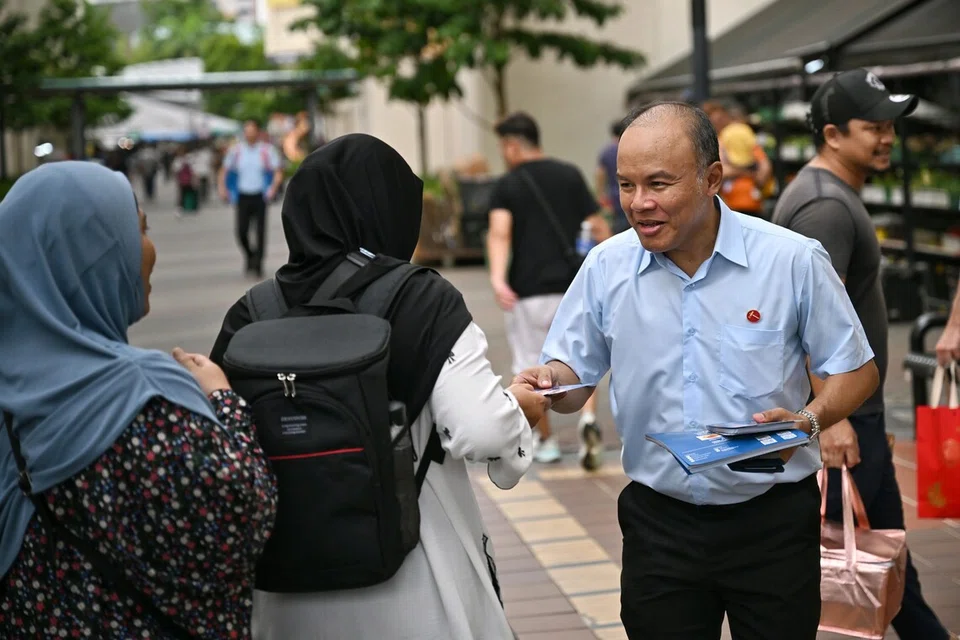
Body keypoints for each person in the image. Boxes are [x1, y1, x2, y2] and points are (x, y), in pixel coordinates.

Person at [515, 102, 880, 640]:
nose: (640, 204)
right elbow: (575, 376)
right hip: (659, 524)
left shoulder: (792, 260)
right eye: (627, 185)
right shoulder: (607, 266)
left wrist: (808, 420)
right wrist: (547, 384)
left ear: (712, 178)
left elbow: (857, 371)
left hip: (772, 519)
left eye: (659, 184)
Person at [209, 134, 551, 640]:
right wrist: (521, 407)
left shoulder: (252, 312)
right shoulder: (421, 298)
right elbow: (482, 431)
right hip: (414, 579)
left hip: (283, 593)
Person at [0, 162, 277, 638]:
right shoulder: (142, 398)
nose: (149, 249)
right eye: (138, 230)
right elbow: (241, 518)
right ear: (86, 253)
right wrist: (222, 399)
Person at [772, 68, 950, 640]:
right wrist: (836, 415)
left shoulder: (830, 194)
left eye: (890, 126)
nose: (887, 138)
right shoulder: (824, 206)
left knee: (885, 554)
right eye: (872, 126)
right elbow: (807, 321)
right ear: (831, 134)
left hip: (853, 411)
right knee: (818, 561)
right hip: (842, 414)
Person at [487, 112, 611, 468]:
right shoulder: (569, 174)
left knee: (535, 366)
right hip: (574, 285)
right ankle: (588, 421)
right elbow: (598, 226)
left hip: (529, 291)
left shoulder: (507, 185)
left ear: (512, 146)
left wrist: (498, 279)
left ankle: (548, 440)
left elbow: (500, 234)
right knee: (583, 358)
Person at [218, 119, 284, 279]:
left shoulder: (267, 150)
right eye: (247, 131)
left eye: (252, 130)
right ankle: (250, 254)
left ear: (258, 132)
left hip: (260, 195)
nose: (249, 134)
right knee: (241, 231)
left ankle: (258, 264)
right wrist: (222, 188)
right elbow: (224, 170)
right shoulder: (236, 151)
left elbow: (278, 171)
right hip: (243, 195)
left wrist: (273, 188)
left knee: (260, 231)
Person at [596, 118, 631, 234]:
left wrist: (601, 195)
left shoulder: (606, 151)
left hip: (615, 197)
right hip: (631, 195)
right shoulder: (629, 148)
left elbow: (600, 174)